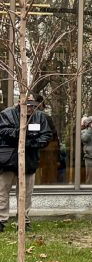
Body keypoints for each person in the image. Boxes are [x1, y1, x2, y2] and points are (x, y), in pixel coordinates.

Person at [0, 96, 53, 232]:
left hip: (29, 160)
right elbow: (3, 131)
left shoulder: (40, 117)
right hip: (8, 160)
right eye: (27, 104)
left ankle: (23, 220)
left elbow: (46, 136)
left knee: (26, 193)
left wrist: (30, 143)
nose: (30, 108)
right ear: (19, 102)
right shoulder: (7, 114)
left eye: (32, 105)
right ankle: (1, 220)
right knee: (2, 191)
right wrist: (21, 133)